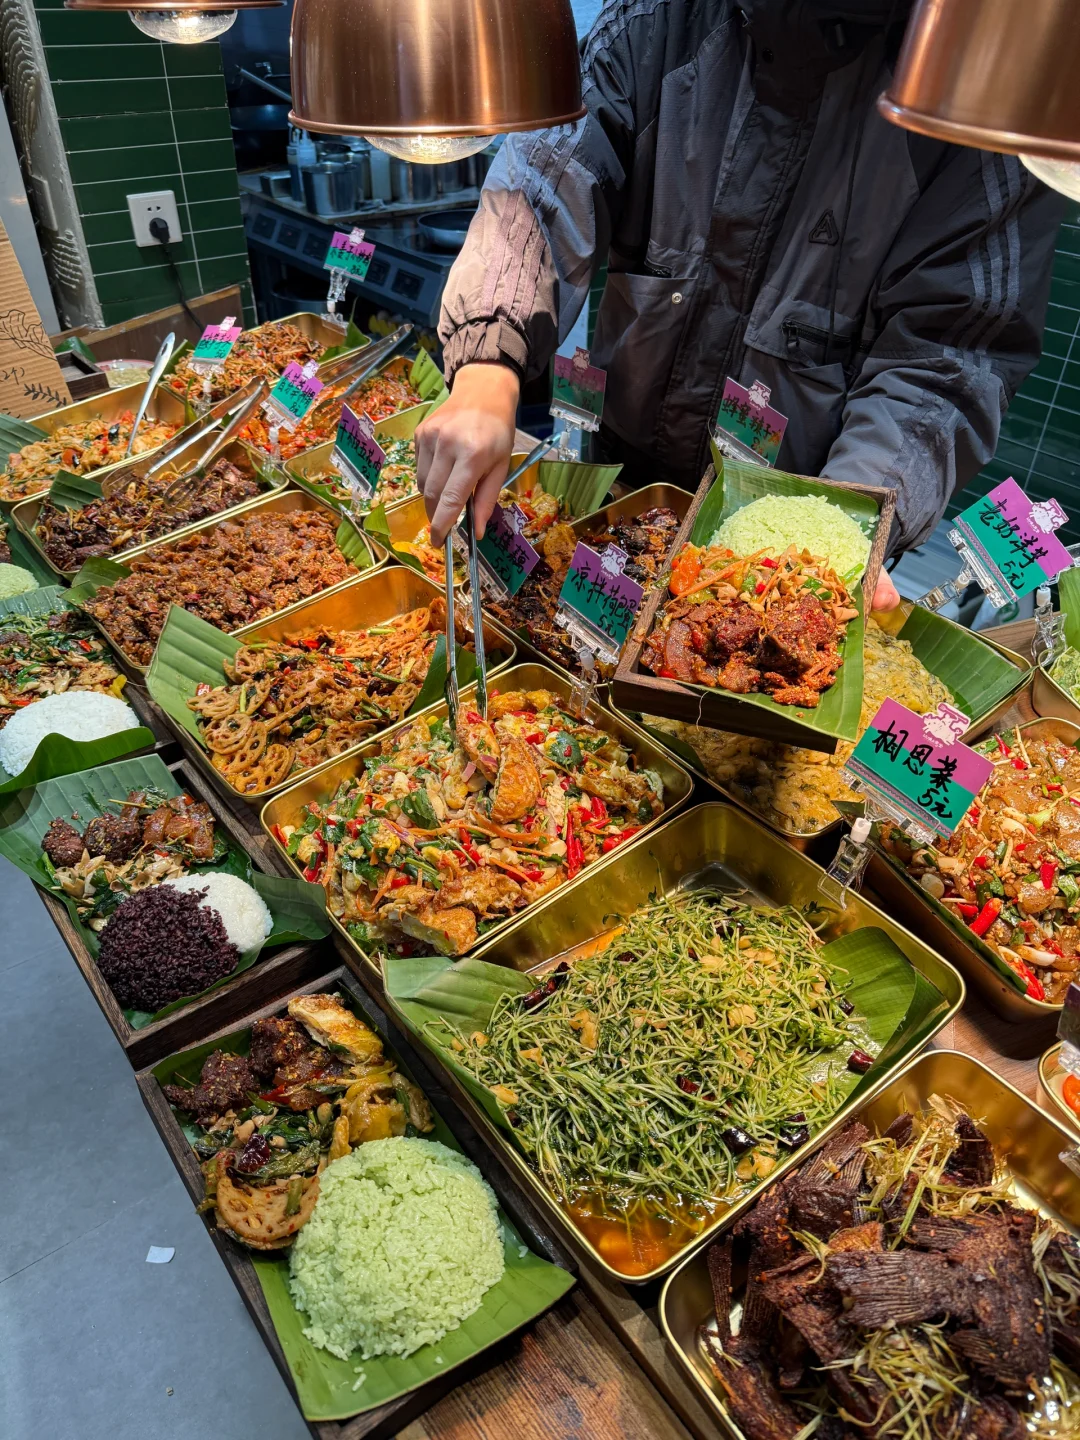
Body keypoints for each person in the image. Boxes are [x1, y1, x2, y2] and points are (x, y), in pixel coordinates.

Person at [416, 0, 1063, 610]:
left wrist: (844, 523)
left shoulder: (982, 82)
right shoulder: (663, 18)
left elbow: (946, 357)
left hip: (789, 535)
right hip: (617, 483)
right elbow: (547, 178)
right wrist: (486, 364)